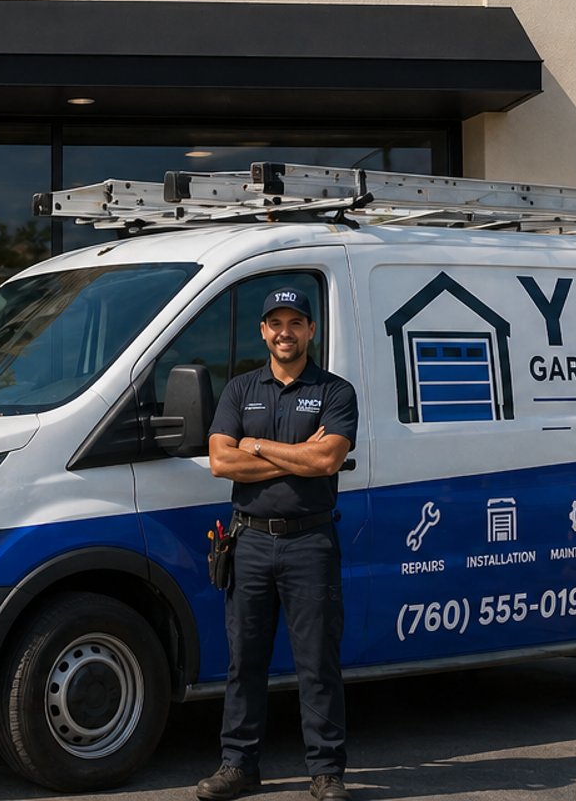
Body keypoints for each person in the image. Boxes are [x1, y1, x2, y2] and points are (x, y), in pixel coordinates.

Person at [195, 286, 357, 801]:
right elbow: (222, 462)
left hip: (311, 542)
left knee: (317, 663)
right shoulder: (240, 389)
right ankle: (238, 766)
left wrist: (258, 445)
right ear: (263, 331)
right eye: (275, 323)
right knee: (245, 660)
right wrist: (295, 454)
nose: (284, 332)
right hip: (251, 543)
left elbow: (327, 461)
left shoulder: (335, 391)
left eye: (295, 322)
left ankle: (326, 772)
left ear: (311, 330)